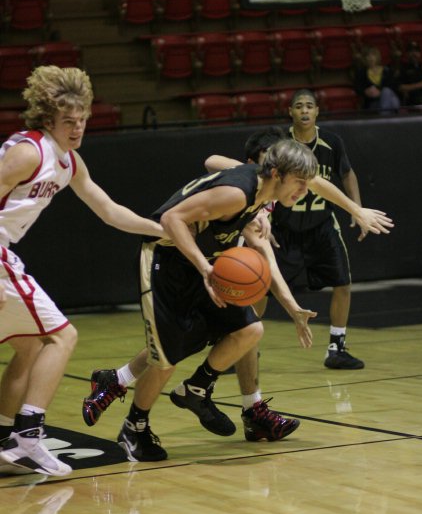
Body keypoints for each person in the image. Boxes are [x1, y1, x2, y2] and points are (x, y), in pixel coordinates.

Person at [82, 139, 326, 462]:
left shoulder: (261, 197)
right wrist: (205, 268)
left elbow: (264, 257)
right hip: (167, 261)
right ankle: (134, 428)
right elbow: (171, 219)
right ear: (278, 174)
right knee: (166, 358)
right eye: (300, 183)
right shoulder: (237, 193)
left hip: (205, 265)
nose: (303, 191)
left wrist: (291, 307)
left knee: (249, 330)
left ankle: (196, 388)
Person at [0, 65, 166, 477]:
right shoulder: (28, 152)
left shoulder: (69, 163)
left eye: (83, 120)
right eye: (68, 122)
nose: (77, 129)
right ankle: (29, 437)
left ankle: (6, 438)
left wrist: (164, 232)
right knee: (63, 336)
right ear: (48, 120)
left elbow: (110, 212)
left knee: (30, 346)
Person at [204, 125, 394, 385]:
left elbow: (320, 184)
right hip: (193, 247)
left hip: (228, 245)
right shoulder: (252, 176)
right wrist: (247, 172)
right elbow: (210, 160)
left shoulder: (282, 182)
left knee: (249, 311)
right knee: (184, 337)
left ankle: (235, 393)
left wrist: (356, 210)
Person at [272, 89, 372, 369]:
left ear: (317, 111)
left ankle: (336, 348)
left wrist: (358, 208)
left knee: (343, 283)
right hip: (283, 227)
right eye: (299, 106)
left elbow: (347, 173)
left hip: (322, 225)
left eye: (310, 106)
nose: (304, 111)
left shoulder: (332, 142)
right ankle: (244, 349)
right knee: (258, 287)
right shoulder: (280, 144)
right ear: (290, 111)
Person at [354, 46, 400, 112]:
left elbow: (394, 86)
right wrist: (365, 91)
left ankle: (384, 119)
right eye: (368, 56)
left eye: (373, 55)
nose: (371, 58)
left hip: (389, 98)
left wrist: (380, 92)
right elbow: (357, 87)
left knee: (386, 92)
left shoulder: (387, 70)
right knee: (392, 102)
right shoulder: (361, 72)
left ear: (377, 57)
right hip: (374, 102)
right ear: (364, 58)